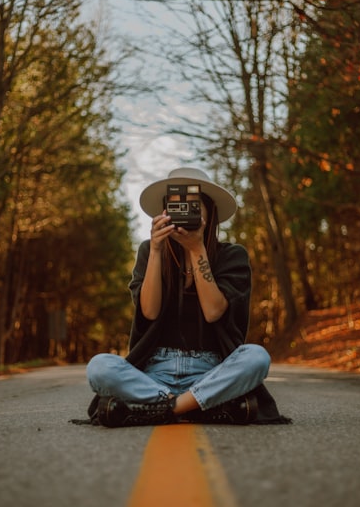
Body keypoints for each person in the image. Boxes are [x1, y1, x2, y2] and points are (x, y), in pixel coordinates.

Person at [85, 167, 290, 427]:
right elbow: (148, 311)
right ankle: (198, 407)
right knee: (99, 367)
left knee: (257, 357)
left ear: (210, 212)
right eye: (175, 207)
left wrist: (197, 249)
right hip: (154, 372)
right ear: (163, 214)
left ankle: (159, 409)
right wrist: (157, 250)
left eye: (192, 206)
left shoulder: (232, 255)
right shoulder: (150, 251)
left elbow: (214, 311)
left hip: (211, 372)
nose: (183, 213)